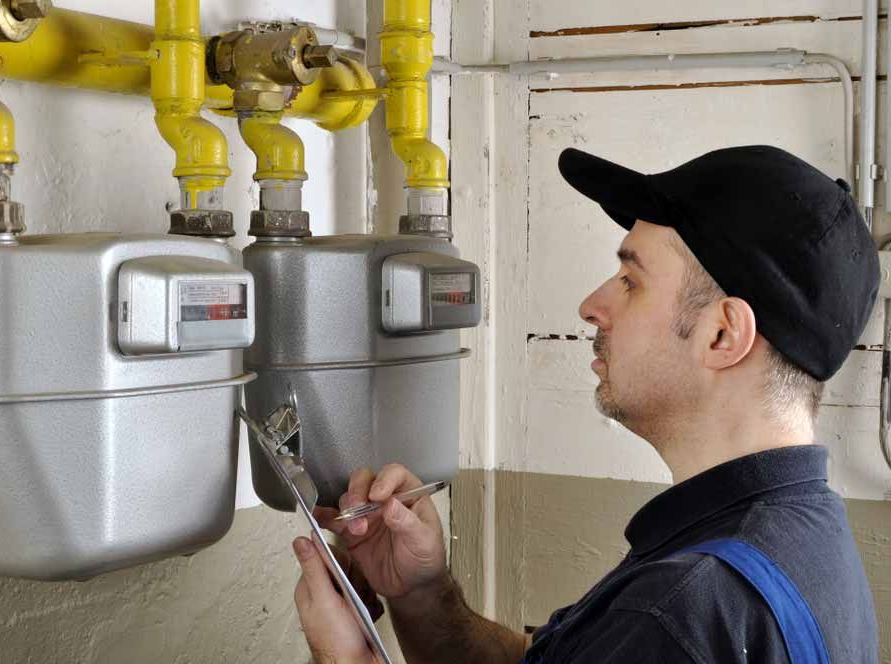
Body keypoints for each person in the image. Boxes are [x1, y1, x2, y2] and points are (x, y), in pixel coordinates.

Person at [289, 145, 881, 663]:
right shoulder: (798, 537)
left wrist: (345, 659)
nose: (592, 306)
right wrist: (421, 594)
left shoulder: (679, 615)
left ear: (723, 335)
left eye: (630, 280)